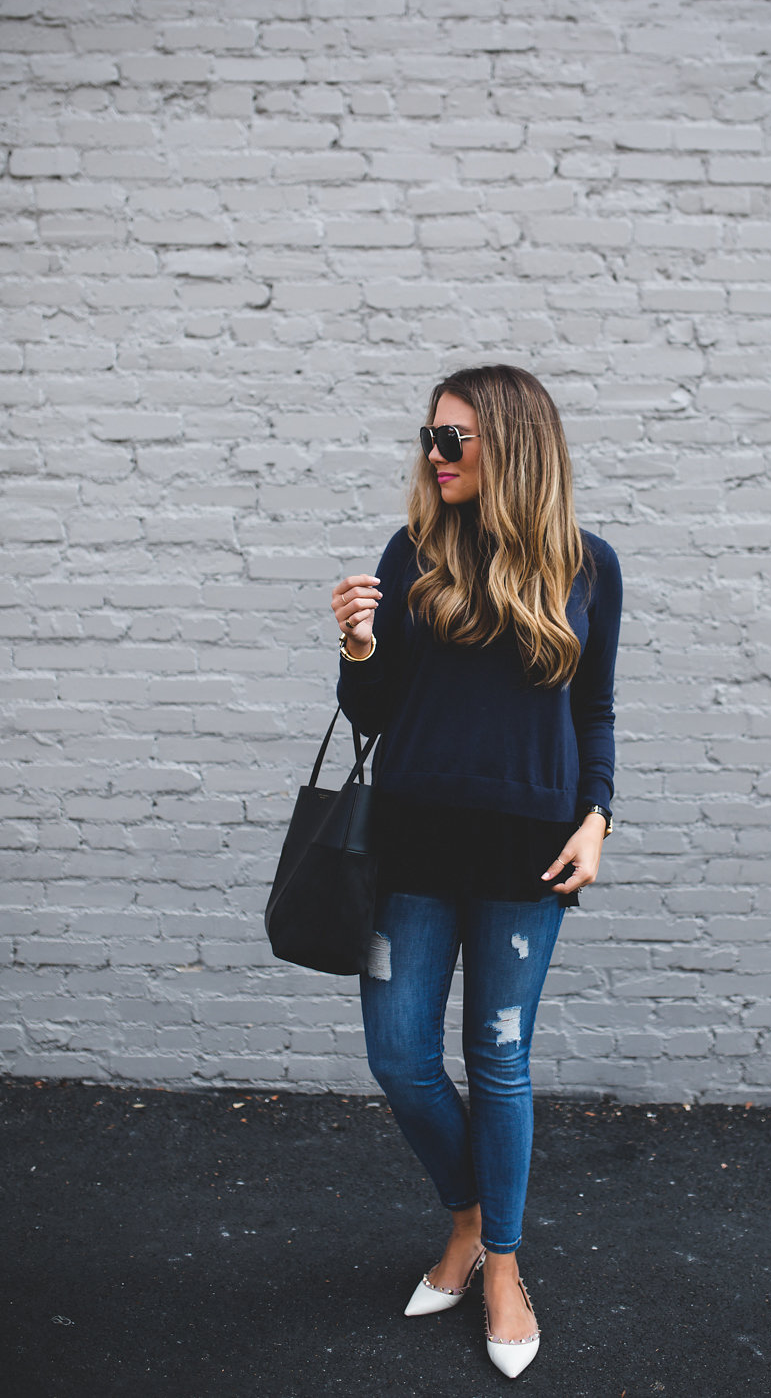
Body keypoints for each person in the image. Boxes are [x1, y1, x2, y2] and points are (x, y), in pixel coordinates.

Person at [331, 364, 621, 1378]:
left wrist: (599, 818)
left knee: (498, 1058)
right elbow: (369, 717)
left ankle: (499, 1261)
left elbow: (594, 712)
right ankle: (466, 1217)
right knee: (400, 1058)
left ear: (511, 445)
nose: (434, 454)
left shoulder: (588, 567)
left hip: (525, 852)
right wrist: (360, 644)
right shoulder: (411, 552)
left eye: (453, 438)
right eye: (429, 436)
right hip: (410, 844)